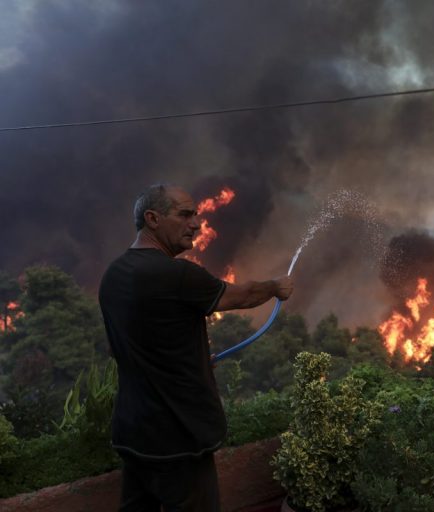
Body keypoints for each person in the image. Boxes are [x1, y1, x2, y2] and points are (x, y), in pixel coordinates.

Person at [99, 184, 293, 512]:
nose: (196, 223)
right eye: (185, 214)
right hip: (178, 438)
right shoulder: (177, 275)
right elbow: (242, 296)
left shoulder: (113, 275)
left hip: (133, 433)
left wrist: (193, 360)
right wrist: (275, 287)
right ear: (152, 219)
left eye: (196, 215)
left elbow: (141, 344)